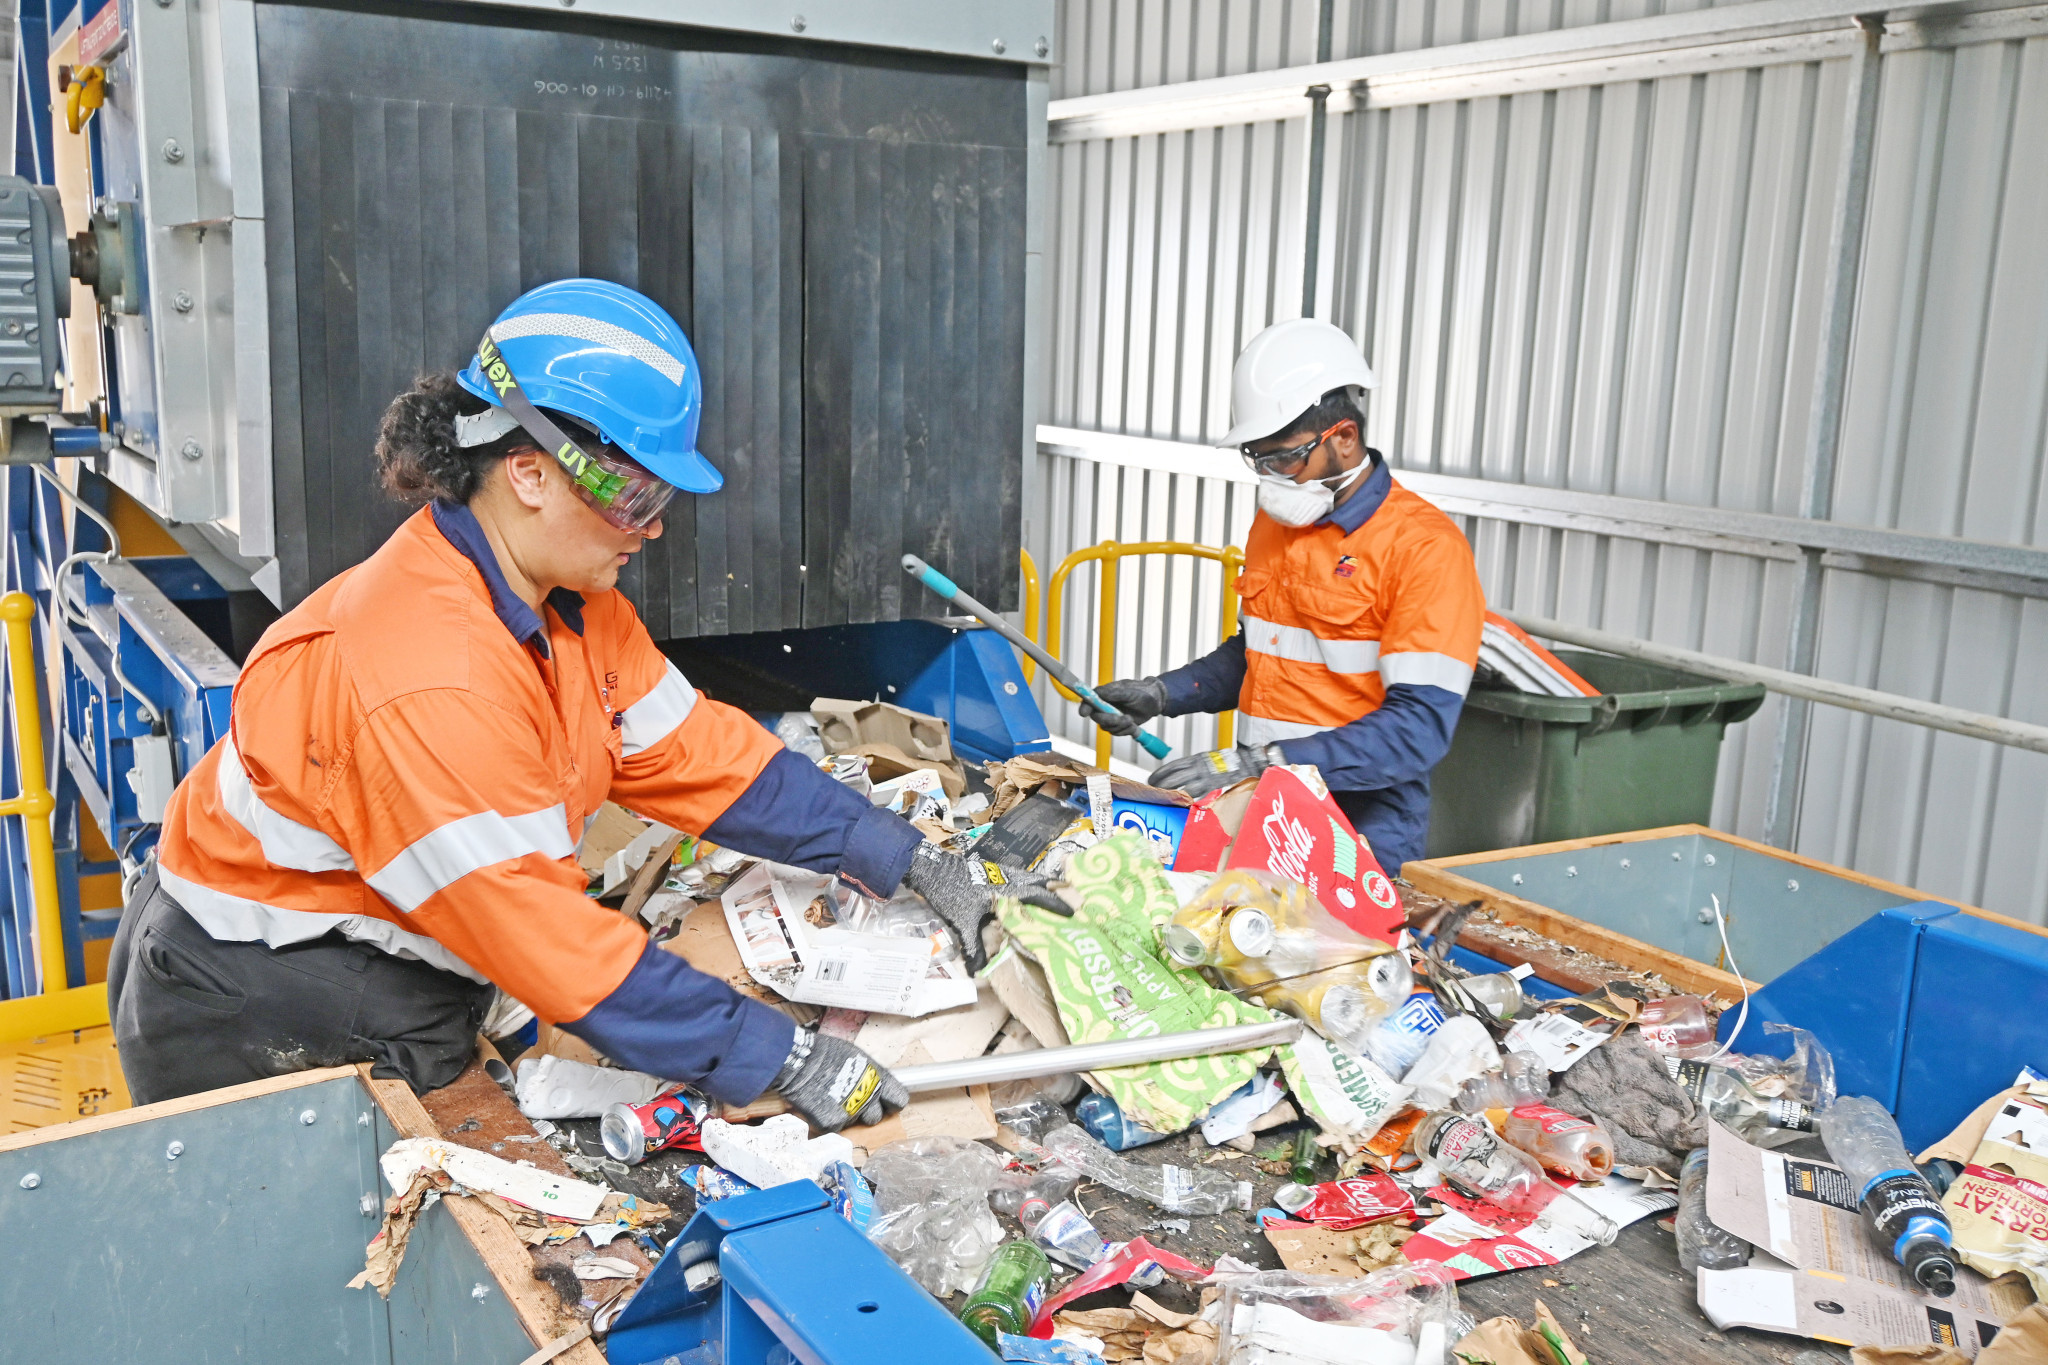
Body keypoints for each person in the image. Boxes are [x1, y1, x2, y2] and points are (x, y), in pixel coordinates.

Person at [107, 278, 1062, 1128]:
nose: (649, 532)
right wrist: (781, 1056)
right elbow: (550, 944)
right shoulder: (428, 673)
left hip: (374, 945)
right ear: (529, 471)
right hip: (257, 989)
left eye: (662, 504)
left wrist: (909, 860)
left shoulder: (570, 608)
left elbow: (706, 758)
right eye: (636, 498)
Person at [1084, 318, 1484, 873]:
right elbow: (1260, 653)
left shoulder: (1424, 548)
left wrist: (1261, 762)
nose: (1271, 478)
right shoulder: (1278, 524)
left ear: (1344, 438)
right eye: (1258, 458)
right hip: (1266, 807)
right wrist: (1162, 693)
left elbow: (1416, 731)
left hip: (1360, 825)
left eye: (1284, 459)